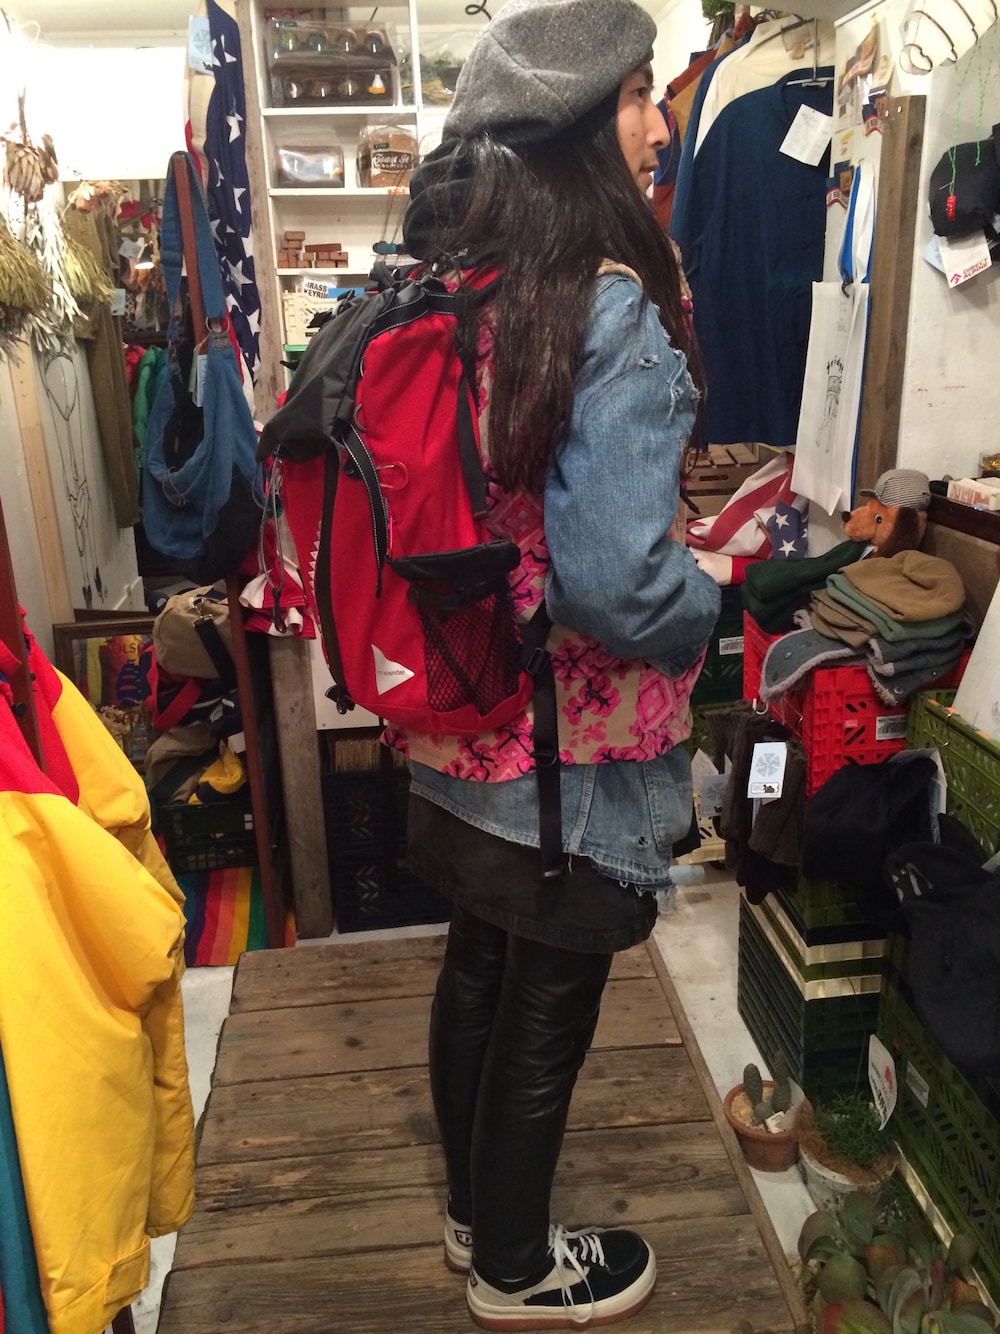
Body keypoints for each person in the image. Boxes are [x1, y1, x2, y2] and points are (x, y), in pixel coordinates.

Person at [391, 0, 722, 1327]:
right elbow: (619, 583)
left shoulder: (459, 280)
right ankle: (518, 1270)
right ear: (582, 126)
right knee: (553, 990)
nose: (660, 124)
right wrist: (715, 598)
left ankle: (479, 1215)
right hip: (572, 738)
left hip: (467, 700)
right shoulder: (609, 302)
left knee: (480, 957)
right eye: (639, 95)